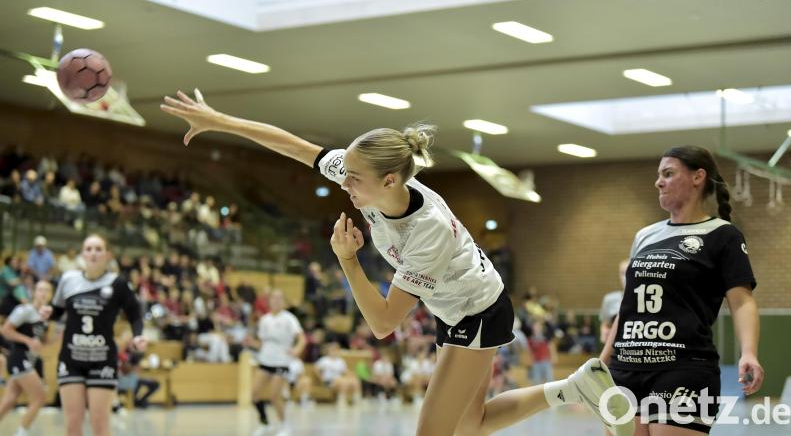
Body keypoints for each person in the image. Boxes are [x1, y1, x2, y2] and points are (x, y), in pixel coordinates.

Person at [161, 89, 633, 436]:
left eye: (355, 179)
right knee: (469, 427)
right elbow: (293, 146)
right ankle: (574, 388)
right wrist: (219, 119)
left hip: (478, 311)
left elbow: (385, 323)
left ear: (389, 181)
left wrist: (348, 261)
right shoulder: (366, 176)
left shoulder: (425, 232)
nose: (345, 183)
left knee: (433, 433)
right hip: (459, 308)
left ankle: (574, 387)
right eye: (344, 172)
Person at [600, 146, 764, 436]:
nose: (658, 182)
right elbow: (629, 306)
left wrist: (748, 352)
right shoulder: (646, 236)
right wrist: (602, 360)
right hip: (626, 369)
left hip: (683, 368)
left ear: (698, 177)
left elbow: (741, 301)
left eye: (668, 174)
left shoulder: (723, 235)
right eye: (658, 175)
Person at [40, 234, 147, 436]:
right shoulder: (68, 279)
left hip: (102, 360)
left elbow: (135, 313)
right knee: (73, 424)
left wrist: (138, 335)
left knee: (100, 425)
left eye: (98, 249)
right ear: (83, 254)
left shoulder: (117, 284)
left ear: (107, 254)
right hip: (71, 359)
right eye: (89, 249)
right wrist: (49, 313)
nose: (93, 253)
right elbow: (58, 309)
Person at [0, 280, 53, 436]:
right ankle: (21, 433)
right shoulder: (24, 310)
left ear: (50, 295)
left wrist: (59, 335)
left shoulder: (44, 315)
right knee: (39, 398)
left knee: (9, 401)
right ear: (34, 292)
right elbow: (6, 330)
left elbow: (43, 341)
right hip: (18, 357)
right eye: (40, 290)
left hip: (29, 359)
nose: (43, 293)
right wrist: (28, 341)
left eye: (47, 290)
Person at [250, 289, 306, 436]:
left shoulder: (289, 319)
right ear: (269, 301)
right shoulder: (265, 320)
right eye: (273, 298)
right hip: (265, 360)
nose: (276, 301)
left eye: (279, 298)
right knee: (255, 393)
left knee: (274, 396)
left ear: (284, 302)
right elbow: (262, 344)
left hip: (281, 362)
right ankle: (264, 423)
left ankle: (284, 425)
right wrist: (252, 343)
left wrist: (297, 350)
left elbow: (302, 339)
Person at [599, 259, 628, 344]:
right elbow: (605, 325)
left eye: (629, 272)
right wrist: (604, 333)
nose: (625, 277)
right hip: (615, 349)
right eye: (622, 273)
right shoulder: (609, 299)